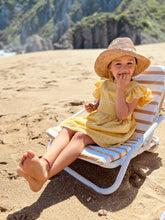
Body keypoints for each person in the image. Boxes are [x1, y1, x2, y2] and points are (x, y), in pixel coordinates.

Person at [17, 37, 152, 192]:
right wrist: (94, 107)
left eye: (130, 63)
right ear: (110, 69)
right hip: (99, 120)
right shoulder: (104, 85)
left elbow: (122, 116)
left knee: (80, 137)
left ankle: (45, 176)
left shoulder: (134, 89)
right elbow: (102, 104)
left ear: (135, 66)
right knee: (68, 127)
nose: (124, 68)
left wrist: (121, 89)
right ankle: (44, 164)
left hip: (116, 127)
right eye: (118, 64)